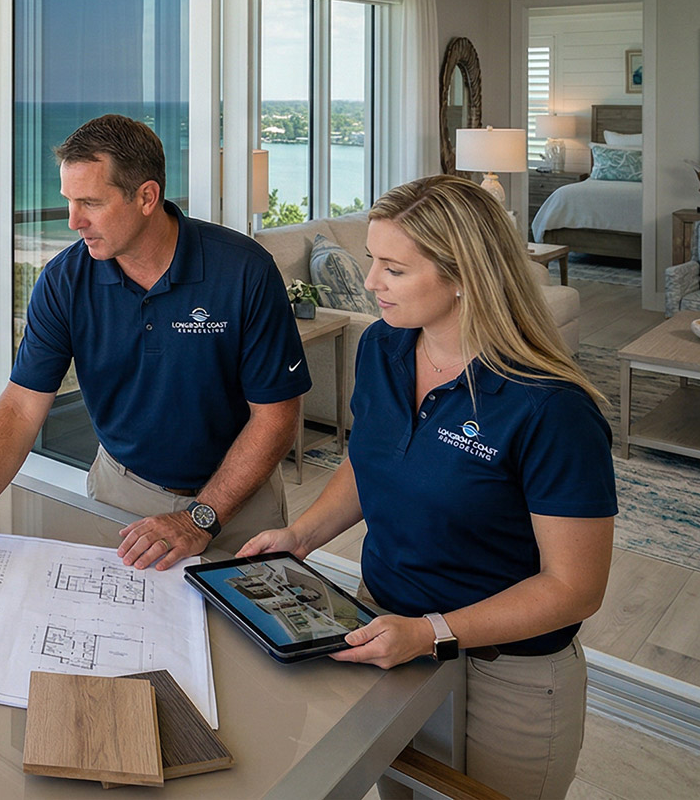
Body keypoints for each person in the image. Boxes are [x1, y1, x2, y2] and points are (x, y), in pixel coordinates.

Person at [238, 174, 615, 800]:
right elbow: (370, 463)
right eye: (371, 261)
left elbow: (575, 589)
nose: (369, 284)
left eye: (394, 268)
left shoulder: (552, 409)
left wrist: (431, 631)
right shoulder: (383, 347)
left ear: (463, 273)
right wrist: (298, 536)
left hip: (506, 675)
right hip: (382, 626)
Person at [0, 114, 310, 572]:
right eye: (69, 201)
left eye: (90, 203)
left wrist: (201, 518)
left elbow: (277, 417)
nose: (73, 220)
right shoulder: (63, 282)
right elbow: (21, 407)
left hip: (238, 505)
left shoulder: (243, 271)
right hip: (120, 497)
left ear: (146, 196)